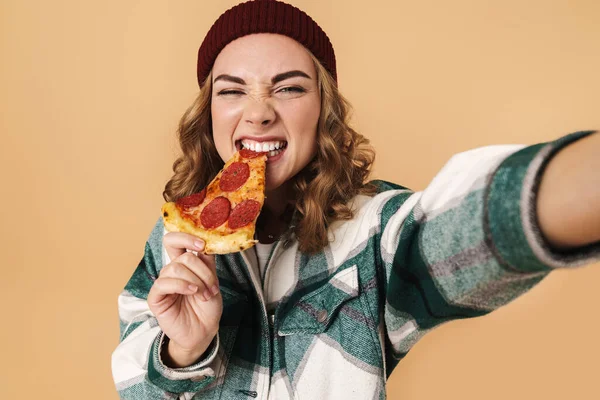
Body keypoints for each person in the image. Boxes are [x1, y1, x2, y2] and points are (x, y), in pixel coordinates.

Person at [111, 0, 600, 398]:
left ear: (324, 109)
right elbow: (136, 388)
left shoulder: (372, 229)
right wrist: (184, 352)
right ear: (209, 112)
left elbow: (469, 225)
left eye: (289, 88)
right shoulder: (175, 239)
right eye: (232, 91)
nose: (258, 113)